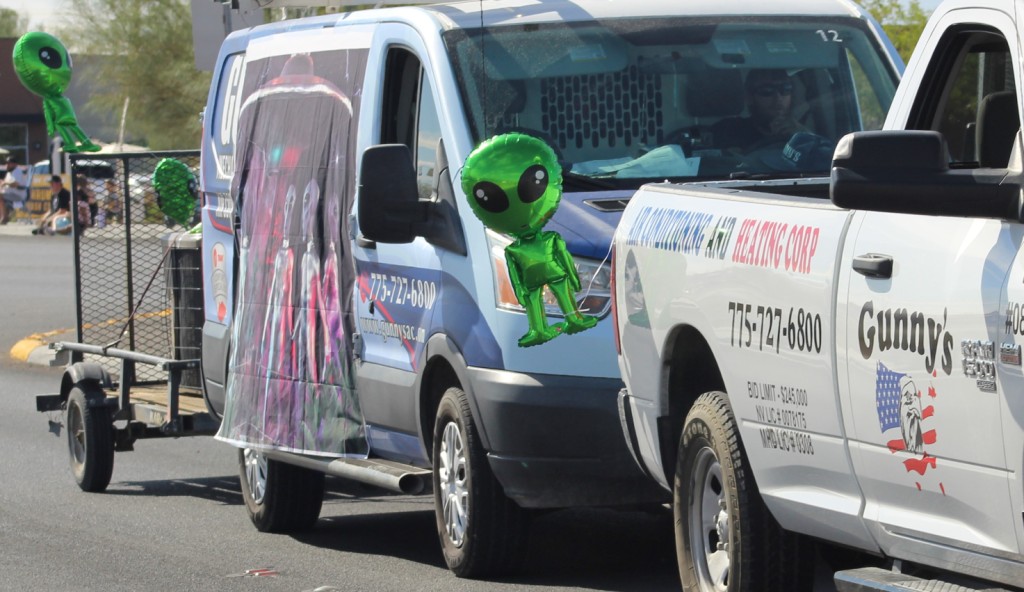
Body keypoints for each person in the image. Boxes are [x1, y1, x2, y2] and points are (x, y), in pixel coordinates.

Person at [710, 68, 808, 154]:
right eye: (767, 90)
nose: (778, 98)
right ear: (749, 97)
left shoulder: (802, 134)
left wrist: (804, 137)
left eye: (785, 89)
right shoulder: (727, 131)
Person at [1, 156, 30, 224]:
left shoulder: (17, 171)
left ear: (15, 164)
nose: (7, 165)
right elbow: (5, 183)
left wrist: (5, 183)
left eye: (9, 163)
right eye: (7, 163)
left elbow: (15, 184)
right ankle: (6, 216)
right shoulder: (9, 173)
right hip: (11, 194)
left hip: (18, 194)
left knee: (0, 197)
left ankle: (5, 217)